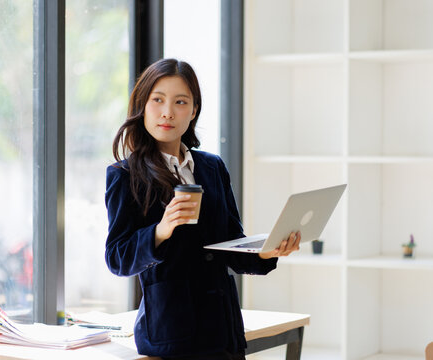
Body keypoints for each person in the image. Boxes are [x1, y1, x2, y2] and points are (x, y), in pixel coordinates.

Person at [104, 58, 301, 360]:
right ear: (142, 105)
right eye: (157, 100)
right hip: (172, 334)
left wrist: (266, 251)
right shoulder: (125, 175)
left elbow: (229, 243)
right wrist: (161, 230)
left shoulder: (211, 166)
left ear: (193, 110)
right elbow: (118, 258)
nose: (168, 112)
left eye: (180, 102)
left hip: (223, 328)